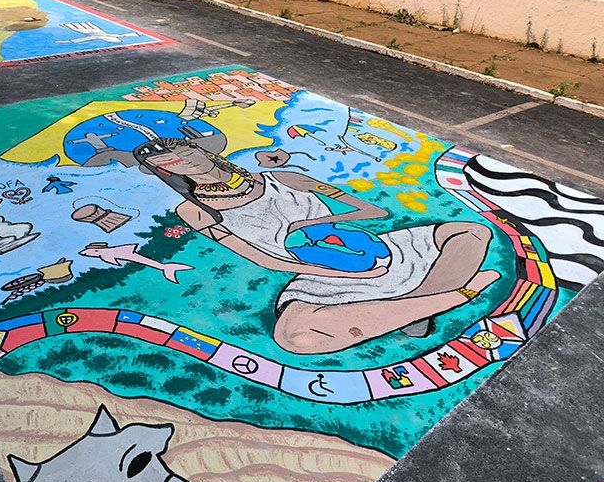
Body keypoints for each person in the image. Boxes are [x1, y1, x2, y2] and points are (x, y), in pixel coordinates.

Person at [134, 138, 499, 354]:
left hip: (369, 248)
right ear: (166, 172)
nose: (183, 162)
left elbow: (373, 210)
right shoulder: (194, 210)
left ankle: (417, 304)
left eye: (186, 153)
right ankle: (442, 299)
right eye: (170, 163)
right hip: (317, 275)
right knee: (294, 338)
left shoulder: (283, 177)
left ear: (202, 150)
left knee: (470, 233)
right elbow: (262, 259)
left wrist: (309, 224)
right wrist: (334, 273)